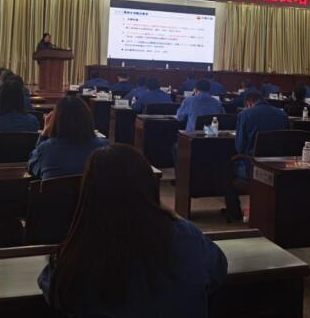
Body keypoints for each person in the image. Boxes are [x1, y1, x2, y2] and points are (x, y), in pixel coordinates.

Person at [38, 144, 227, 318]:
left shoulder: (76, 258)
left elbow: (54, 289)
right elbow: (218, 269)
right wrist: (171, 214)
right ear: (150, 187)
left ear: (88, 194)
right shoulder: (188, 238)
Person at [227, 91, 290, 220]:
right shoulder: (282, 114)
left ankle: (234, 213)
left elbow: (240, 148)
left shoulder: (245, 114)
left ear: (249, 103)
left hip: (253, 167)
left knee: (226, 169)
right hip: (279, 167)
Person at [28, 96, 108, 179]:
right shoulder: (104, 147)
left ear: (56, 121)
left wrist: (44, 134)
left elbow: (31, 166)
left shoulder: (46, 149)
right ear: (88, 118)